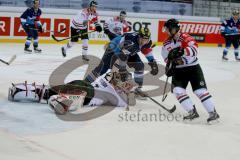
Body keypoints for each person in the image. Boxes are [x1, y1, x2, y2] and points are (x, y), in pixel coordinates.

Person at [161, 18, 220, 123]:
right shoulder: (166, 43)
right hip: (178, 71)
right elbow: (166, 57)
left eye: (167, 29)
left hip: (193, 68)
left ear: (174, 29)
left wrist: (181, 52)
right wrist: (169, 66)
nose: (166, 31)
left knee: (200, 91)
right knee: (177, 91)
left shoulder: (186, 38)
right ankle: (192, 112)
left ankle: (213, 113)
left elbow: (194, 49)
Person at [8, 71, 135, 115]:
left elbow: (126, 101)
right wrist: (120, 85)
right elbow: (111, 75)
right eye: (126, 83)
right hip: (87, 90)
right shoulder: (109, 84)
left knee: (51, 90)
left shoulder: (116, 96)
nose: (127, 87)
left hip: (85, 93)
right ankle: (57, 99)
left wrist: (126, 90)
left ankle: (23, 91)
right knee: (55, 91)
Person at [84, 28, 159, 97]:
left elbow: (146, 51)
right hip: (114, 49)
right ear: (139, 37)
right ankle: (85, 83)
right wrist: (122, 69)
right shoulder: (130, 41)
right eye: (142, 39)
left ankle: (138, 89)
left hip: (129, 51)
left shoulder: (147, 42)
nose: (143, 42)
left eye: (146, 40)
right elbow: (120, 56)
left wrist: (153, 62)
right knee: (102, 68)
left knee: (140, 66)